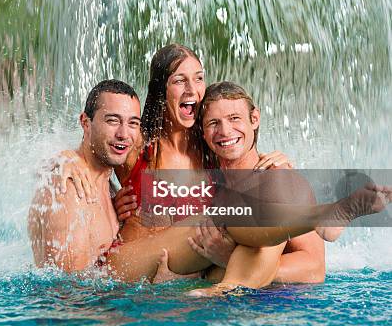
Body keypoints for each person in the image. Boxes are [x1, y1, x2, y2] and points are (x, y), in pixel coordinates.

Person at [28, 79, 391, 284]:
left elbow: (314, 268)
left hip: (182, 275)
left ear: (254, 120)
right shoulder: (80, 176)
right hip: (116, 274)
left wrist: (224, 263)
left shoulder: (275, 174)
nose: (225, 132)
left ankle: (323, 215)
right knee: (225, 213)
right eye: (214, 123)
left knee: (243, 217)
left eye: (235, 119)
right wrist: (61, 162)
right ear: (202, 131)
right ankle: (324, 214)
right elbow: (100, 152)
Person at [62, 44, 323, 284]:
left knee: (239, 228)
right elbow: (94, 151)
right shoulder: (140, 145)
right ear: (161, 89)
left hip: (180, 286)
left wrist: (280, 173)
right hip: (125, 277)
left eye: (199, 78)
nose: (192, 90)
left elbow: (312, 264)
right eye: (179, 80)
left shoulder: (212, 148)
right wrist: (66, 160)